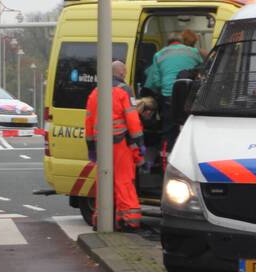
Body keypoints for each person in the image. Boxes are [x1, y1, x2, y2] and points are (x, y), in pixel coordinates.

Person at [85, 60, 143, 232]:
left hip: (100, 144)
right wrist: (138, 142)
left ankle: (101, 218)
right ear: (122, 73)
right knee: (123, 180)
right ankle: (128, 219)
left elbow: (88, 121)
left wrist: (91, 147)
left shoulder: (95, 92)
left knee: (104, 181)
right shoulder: (124, 90)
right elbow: (132, 118)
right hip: (119, 142)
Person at [144, 31, 202, 149]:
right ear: (181, 42)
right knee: (189, 127)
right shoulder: (194, 52)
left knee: (168, 129)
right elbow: (202, 69)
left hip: (169, 95)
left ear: (167, 43)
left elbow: (156, 81)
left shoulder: (159, 55)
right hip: (189, 94)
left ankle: (166, 157)